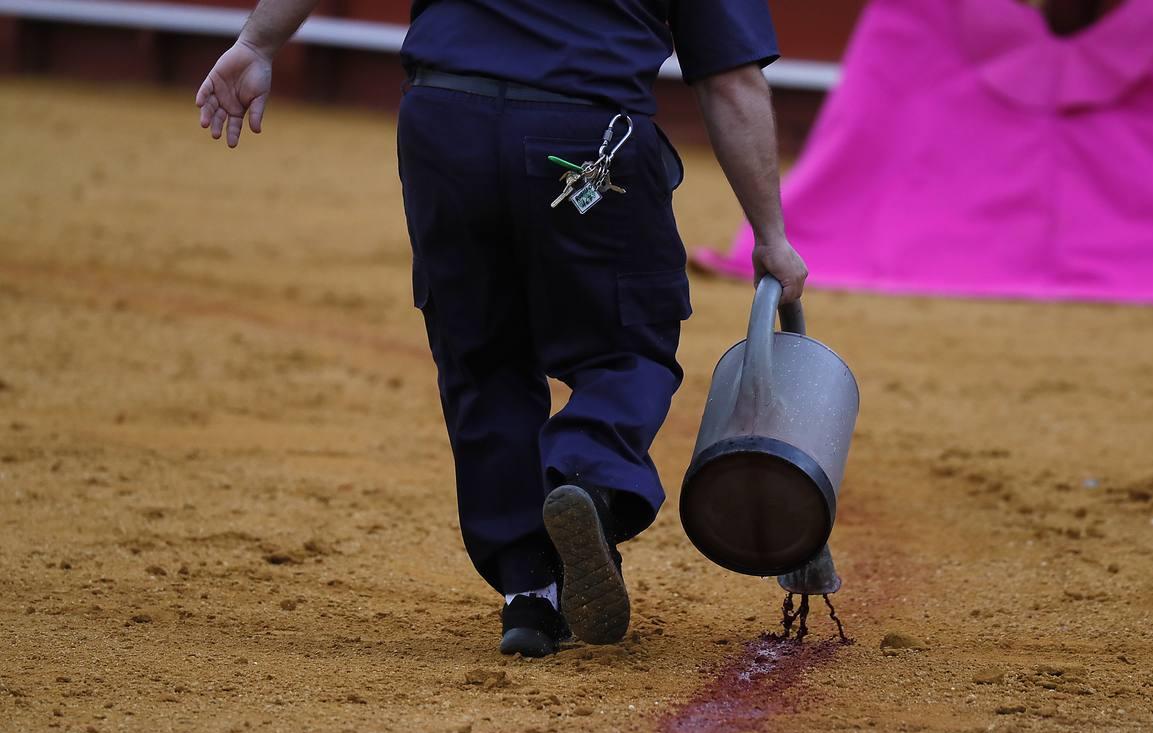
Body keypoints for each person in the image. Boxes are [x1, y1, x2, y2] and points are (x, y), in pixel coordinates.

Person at [196, 0, 808, 657]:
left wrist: (258, 42)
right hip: (583, 137)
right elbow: (730, 80)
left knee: (481, 355)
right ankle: (587, 474)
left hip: (442, 122)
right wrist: (770, 235)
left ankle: (531, 592)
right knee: (627, 350)